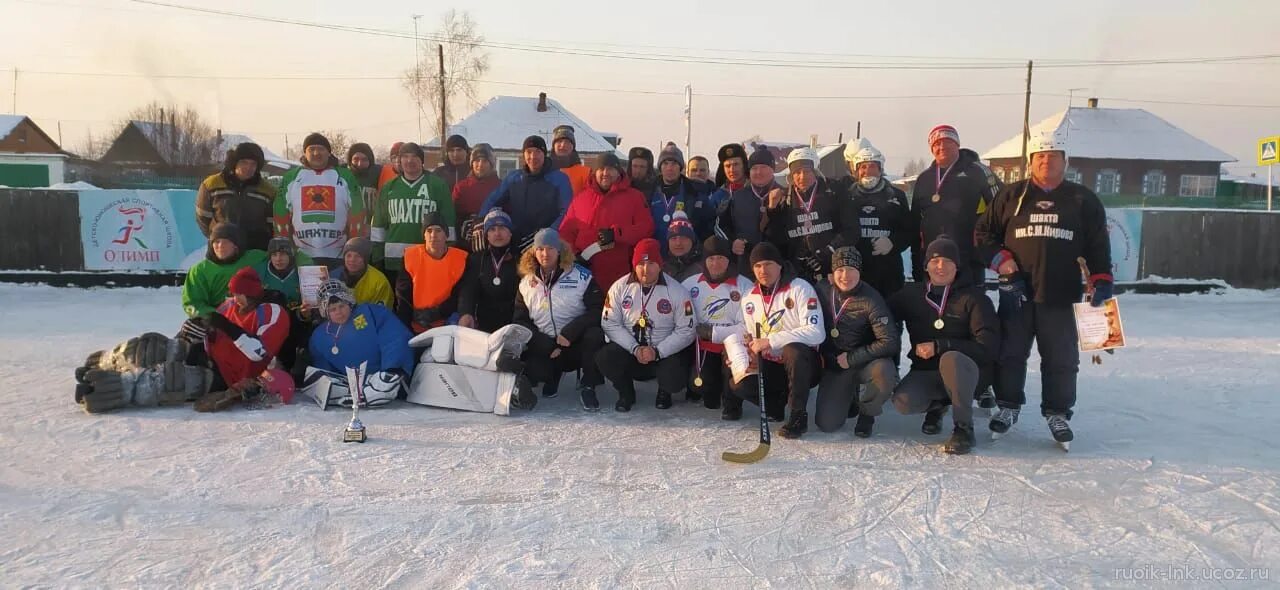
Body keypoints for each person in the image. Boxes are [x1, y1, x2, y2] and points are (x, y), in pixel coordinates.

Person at [976, 132, 1114, 448]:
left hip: (1062, 293)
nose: (1046, 161)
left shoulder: (1082, 199)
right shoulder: (1012, 196)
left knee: (1061, 358)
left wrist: (1101, 278)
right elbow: (983, 234)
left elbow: (1097, 245)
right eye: (1040, 157)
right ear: (1031, 162)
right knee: (1010, 353)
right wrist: (1002, 260)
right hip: (1017, 293)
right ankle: (1008, 407)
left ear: (1065, 162)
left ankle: (1058, 413)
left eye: (1053, 157)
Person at [887, 236, 999, 455]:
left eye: (948, 261)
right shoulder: (911, 295)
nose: (941, 266)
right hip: (926, 371)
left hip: (968, 372)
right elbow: (880, 312)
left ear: (956, 266)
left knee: (951, 359)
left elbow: (987, 348)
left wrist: (941, 346)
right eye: (935, 261)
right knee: (903, 402)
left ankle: (964, 429)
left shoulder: (975, 298)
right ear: (926, 265)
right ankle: (939, 406)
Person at [723, 242, 824, 437]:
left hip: (804, 364)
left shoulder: (799, 288)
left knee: (792, 350)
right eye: (758, 266)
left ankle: (798, 416)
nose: (763, 270)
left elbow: (816, 332)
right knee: (738, 382)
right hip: (770, 365)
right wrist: (743, 354)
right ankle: (775, 407)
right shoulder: (749, 297)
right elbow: (747, 333)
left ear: (779, 265)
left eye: (768, 263)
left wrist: (771, 341)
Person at [597, 238, 696, 412]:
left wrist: (658, 351)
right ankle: (626, 392)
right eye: (641, 263)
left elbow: (687, 330)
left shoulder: (677, 291)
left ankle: (664, 392)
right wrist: (634, 348)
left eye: (651, 263)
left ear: (660, 265)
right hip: (631, 351)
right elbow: (609, 323)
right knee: (605, 357)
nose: (645, 269)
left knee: (675, 377)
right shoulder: (619, 288)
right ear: (634, 264)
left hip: (663, 353)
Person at [514, 228, 606, 407]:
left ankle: (588, 384)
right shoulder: (526, 283)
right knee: (534, 371)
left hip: (574, 343)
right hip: (546, 346)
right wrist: (544, 344)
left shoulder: (581, 276)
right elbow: (520, 320)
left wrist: (571, 332)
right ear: (534, 251)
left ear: (559, 250)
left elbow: (598, 310)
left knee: (595, 335)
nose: (545, 253)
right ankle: (553, 375)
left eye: (550, 248)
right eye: (540, 249)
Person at [814, 247, 899, 437]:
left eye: (851, 269)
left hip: (863, 362)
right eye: (840, 270)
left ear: (859, 271)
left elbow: (890, 341)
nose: (845, 276)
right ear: (832, 272)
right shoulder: (822, 290)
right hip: (835, 365)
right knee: (827, 424)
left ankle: (867, 413)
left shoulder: (871, 298)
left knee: (884, 371)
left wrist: (853, 358)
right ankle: (848, 397)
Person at [909, 124, 1002, 285]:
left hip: (968, 256)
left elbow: (1000, 209)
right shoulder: (924, 178)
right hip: (933, 258)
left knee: (969, 304)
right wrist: (917, 260)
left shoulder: (978, 171)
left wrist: (990, 248)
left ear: (957, 144)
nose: (942, 147)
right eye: (937, 143)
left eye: (948, 142)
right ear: (931, 148)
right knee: (932, 304)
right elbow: (915, 222)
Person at [191, 267, 291, 412]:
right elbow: (212, 337)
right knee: (186, 355)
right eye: (233, 294)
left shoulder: (272, 312)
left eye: (240, 294)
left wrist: (227, 326)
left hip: (250, 377)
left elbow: (259, 353)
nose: (235, 298)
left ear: (251, 293)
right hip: (216, 368)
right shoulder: (228, 306)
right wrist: (201, 329)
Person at [303, 279, 415, 408]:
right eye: (333, 309)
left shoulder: (371, 312)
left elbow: (394, 337)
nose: (338, 312)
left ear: (349, 303)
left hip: (388, 378)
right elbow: (324, 370)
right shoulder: (319, 336)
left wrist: (392, 371)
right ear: (325, 312)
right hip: (355, 387)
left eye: (342, 306)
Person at [371, 142, 454, 308]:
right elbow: (379, 226)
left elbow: (448, 224)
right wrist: (377, 256)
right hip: (394, 260)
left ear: (421, 161)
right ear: (399, 161)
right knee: (399, 307)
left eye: (414, 156)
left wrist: (447, 253)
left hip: (426, 259)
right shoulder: (389, 188)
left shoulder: (437, 185)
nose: (409, 161)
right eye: (405, 157)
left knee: (423, 306)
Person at [559, 152, 654, 291]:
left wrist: (617, 234)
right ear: (595, 172)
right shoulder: (581, 198)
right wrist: (573, 255)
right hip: (584, 274)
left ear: (618, 172)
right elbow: (566, 232)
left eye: (610, 169)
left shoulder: (634, 197)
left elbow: (646, 228)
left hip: (619, 274)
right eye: (601, 169)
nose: (605, 173)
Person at [682, 236, 753, 410]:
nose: (716, 263)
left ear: (729, 259)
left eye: (721, 258)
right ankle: (711, 391)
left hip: (734, 347)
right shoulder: (690, 284)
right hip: (704, 348)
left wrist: (715, 332)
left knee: (732, 389)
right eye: (711, 258)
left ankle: (732, 402)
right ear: (704, 261)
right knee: (701, 389)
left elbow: (747, 325)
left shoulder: (744, 285)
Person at [273, 132, 365, 268]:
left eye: (321, 149)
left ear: (329, 153)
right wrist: (284, 250)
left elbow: (358, 212)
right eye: (311, 149)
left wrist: (354, 250)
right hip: (302, 256)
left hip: (339, 256)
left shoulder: (346, 176)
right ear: (304, 153)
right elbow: (280, 213)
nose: (316, 153)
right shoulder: (291, 177)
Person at [762, 146, 848, 285]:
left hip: (832, 268)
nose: (802, 177)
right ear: (791, 175)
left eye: (807, 171)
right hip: (798, 271)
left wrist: (828, 251)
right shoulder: (785, 198)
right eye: (797, 172)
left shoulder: (833, 192)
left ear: (815, 171)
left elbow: (851, 229)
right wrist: (773, 209)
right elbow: (775, 237)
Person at [840, 139, 911, 298]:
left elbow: (909, 230)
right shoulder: (846, 197)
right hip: (856, 273)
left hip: (889, 273)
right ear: (856, 171)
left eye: (872, 166)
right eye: (863, 167)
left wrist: (893, 242)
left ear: (880, 169)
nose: (868, 171)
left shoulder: (896, 196)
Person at [480, 135, 573, 252]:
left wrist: (547, 234)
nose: (533, 156)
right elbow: (493, 199)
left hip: (545, 246)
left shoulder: (559, 179)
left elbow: (566, 212)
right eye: (529, 152)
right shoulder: (514, 178)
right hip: (516, 241)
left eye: (538, 151)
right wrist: (481, 220)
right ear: (523, 154)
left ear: (544, 154)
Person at [196, 142, 277, 251]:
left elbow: (273, 224)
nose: (248, 167)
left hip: (255, 252)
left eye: (253, 164)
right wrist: (218, 239)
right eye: (244, 162)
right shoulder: (211, 185)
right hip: (223, 251)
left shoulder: (268, 190)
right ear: (234, 163)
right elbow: (203, 217)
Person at [254, 237, 314, 382]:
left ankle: (299, 365)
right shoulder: (261, 274)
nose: (278, 259)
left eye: (283, 254)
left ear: (291, 255)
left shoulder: (303, 273)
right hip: (269, 323)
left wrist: (305, 313)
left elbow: (313, 305)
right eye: (274, 255)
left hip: (296, 321)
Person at [716, 146, 784, 274]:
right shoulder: (737, 197)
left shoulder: (786, 195)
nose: (758, 172)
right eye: (754, 168)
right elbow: (721, 226)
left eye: (763, 167)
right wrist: (732, 242)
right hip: (745, 267)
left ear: (772, 170)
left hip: (779, 266)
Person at [400, 211, 468, 333]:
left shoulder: (460, 258)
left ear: (446, 235)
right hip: (414, 323)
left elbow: (460, 295)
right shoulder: (410, 256)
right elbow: (403, 295)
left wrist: (437, 313)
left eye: (438, 230)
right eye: (429, 230)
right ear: (424, 235)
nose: (433, 235)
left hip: (447, 322)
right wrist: (410, 320)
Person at [182, 222, 268, 318]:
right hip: (215, 319)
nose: (220, 246)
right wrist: (213, 317)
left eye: (226, 241)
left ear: (236, 245)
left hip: (251, 314)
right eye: (217, 241)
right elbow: (191, 305)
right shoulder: (199, 271)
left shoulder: (255, 258)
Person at [457, 209, 520, 333]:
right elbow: (468, 290)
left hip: (513, 325)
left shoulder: (522, 260)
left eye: (502, 228)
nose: (497, 233)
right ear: (486, 235)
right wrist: (466, 313)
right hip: (482, 325)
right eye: (492, 229)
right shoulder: (476, 259)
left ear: (510, 233)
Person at [649, 142, 715, 241]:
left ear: (681, 167)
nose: (669, 168)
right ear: (660, 167)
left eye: (674, 163)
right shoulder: (649, 190)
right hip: (656, 251)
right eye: (665, 163)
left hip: (685, 252)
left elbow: (708, 226)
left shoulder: (695, 192)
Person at [453, 143, 501, 247]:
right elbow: (454, 214)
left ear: (491, 164)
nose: (480, 165)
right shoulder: (461, 187)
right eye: (477, 161)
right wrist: (465, 224)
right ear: (471, 163)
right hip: (467, 241)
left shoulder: (501, 186)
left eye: (485, 161)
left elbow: (507, 213)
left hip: (493, 241)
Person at [330, 237, 394, 308]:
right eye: (348, 255)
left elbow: (381, 314)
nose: (352, 260)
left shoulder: (379, 282)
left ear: (366, 259)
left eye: (357, 256)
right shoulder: (333, 277)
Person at [346, 142, 381, 230]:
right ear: (350, 160)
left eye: (364, 159)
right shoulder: (342, 177)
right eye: (356, 159)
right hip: (347, 228)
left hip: (370, 228)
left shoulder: (378, 174)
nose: (359, 163)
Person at [550, 125, 591, 195]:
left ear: (573, 147)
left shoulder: (585, 173)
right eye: (559, 141)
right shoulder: (543, 171)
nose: (563, 145)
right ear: (553, 146)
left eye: (567, 142)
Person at [662, 213, 704, 281]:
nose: (678, 243)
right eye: (674, 238)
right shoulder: (661, 268)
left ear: (692, 241)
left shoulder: (704, 268)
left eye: (683, 238)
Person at [708, 143, 748, 209]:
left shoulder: (756, 191)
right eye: (727, 166)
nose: (732, 170)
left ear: (744, 165)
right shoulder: (718, 196)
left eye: (736, 164)